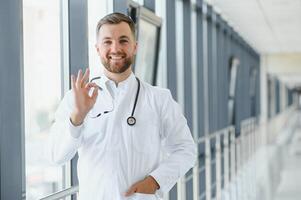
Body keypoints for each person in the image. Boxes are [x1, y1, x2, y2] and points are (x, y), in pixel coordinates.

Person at [48, 12, 196, 200]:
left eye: (123, 40)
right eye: (107, 41)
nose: (115, 48)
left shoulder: (159, 99)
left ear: (135, 47)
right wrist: (77, 117)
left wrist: (155, 181)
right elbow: (56, 156)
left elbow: (186, 149)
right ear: (97, 48)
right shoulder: (75, 99)